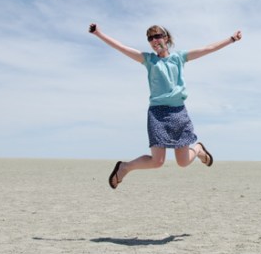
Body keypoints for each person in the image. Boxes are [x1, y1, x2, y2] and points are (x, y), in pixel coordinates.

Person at [88, 23, 242, 189]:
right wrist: (98, 33)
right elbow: (121, 47)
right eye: (150, 38)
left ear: (166, 38)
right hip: (157, 113)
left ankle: (198, 149)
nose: (154, 40)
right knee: (157, 161)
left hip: (178, 112)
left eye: (157, 36)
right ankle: (124, 167)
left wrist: (231, 39)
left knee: (182, 162)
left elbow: (208, 48)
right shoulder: (148, 60)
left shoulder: (179, 58)